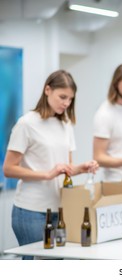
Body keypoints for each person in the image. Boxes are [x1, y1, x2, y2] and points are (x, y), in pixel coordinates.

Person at [3, 70, 99, 259]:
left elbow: (66, 168)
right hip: (31, 212)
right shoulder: (26, 124)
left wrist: (83, 167)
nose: (66, 103)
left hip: (60, 209)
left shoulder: (66, 125)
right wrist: (47, 174)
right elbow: (8, 169)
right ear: (47, 90)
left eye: (70, 99)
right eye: (62, 97)